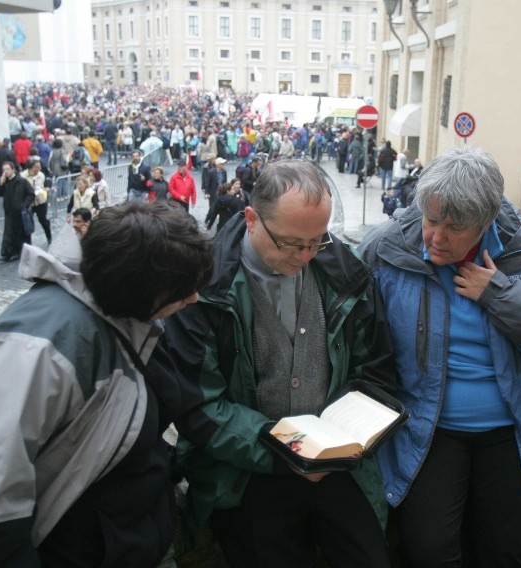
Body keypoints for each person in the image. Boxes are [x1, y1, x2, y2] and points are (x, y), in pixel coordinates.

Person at [0, 201, 214, 567]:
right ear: (145, 289)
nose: (194, 298)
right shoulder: (35, 355)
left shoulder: (126, 315)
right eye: (184, 289)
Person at [358, 145, 521, 567]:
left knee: (511, 550)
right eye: (431, 220)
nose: (437, 237)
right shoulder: (388, 246)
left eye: (455, 226)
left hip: (510, 426)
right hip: (428, 428)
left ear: (485, 224)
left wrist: (499, 294)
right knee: (429, 549)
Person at [164, 159, 396, 568]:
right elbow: (197, 406)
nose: (305, 256)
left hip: (337, 461)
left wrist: (346, 434)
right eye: (290, 243)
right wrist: (282, 452)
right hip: (247, 467)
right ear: (251, 219)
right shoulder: (202, 288)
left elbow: (374, 368)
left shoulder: (346, 271)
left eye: (317, 241)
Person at [0, 161, 35, 262]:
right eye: (4, 170)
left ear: (13, 170)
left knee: (21, 233)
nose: (5, 172)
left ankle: (20, 252)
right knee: (8, 233)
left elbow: (31, 194)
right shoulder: (5, 182)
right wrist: (1, 183)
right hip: (9, 212)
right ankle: (7, 253)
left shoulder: (21, 181)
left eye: (7, 169)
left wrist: (24, 205)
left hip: (20, 212)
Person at [23, 161, 52, 245]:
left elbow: (45, 184)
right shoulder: (23, 176)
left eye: (40, 167)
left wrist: (46, 189)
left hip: (41, 201)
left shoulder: (41, 175)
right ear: (32, 167)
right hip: (29, 203)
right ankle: (28, 242)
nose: (39, 169)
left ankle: (49, 237)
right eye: (37, 167)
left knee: (43, 220)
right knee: (28, 223)